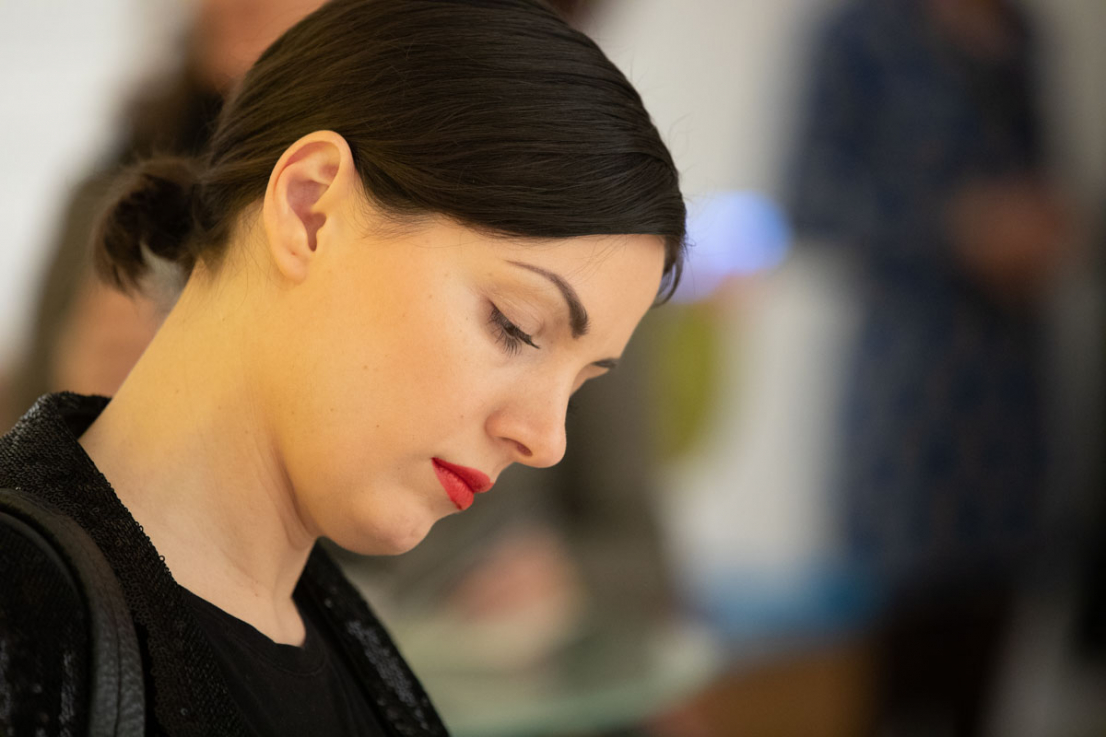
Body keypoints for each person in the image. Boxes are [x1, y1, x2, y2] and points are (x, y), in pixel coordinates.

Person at [0, 1, 687, 735]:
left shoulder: (351, 653)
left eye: (582, 383)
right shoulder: (29, 625)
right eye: (512, 325)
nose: (546, 440)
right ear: (310, 210)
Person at [787, 0, 1067, 734]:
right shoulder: (861, 35)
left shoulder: (1022, 37)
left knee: (986, 667)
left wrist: (1046, 226)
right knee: (888, 679)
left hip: (1013, 398)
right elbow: (809, 198)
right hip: (910, 402)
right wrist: (956, 228)